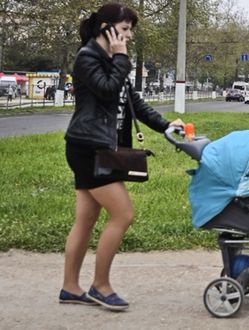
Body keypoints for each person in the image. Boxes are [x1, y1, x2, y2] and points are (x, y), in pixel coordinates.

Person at [61, 3, 183, 311]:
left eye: (130, 30)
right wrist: (121, 58)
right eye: (124, 29)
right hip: (89, 148)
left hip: (102, 148)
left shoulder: (110, 59)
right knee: (123, 214)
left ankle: (69, 288)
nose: (128, 35)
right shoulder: (88, 57)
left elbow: (133, 103)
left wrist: (166, 125)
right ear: (106, 27)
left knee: (86, 220)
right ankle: (100, 286)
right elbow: (106, 89)